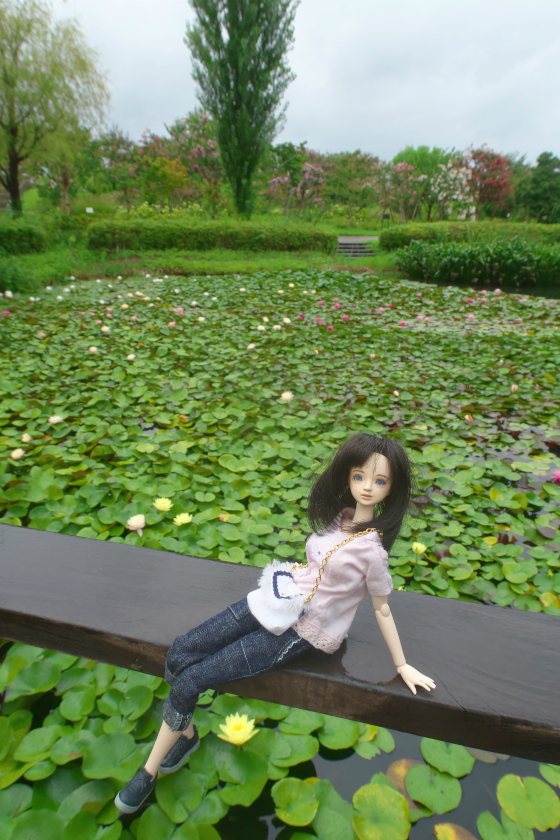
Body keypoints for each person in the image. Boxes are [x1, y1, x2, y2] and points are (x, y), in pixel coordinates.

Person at [115, 432, 436, 814]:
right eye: (359, 477)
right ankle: (185, 734)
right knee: (182, 650)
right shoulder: (341, 518)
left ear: (391, 489)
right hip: (281, 596)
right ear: (347, 476)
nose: (367, 487)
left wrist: (402, 664)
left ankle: (148, 772)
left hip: (307, 628)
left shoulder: (372, 553)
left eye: (379, 481)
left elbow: (382, 608)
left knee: (190, 679)